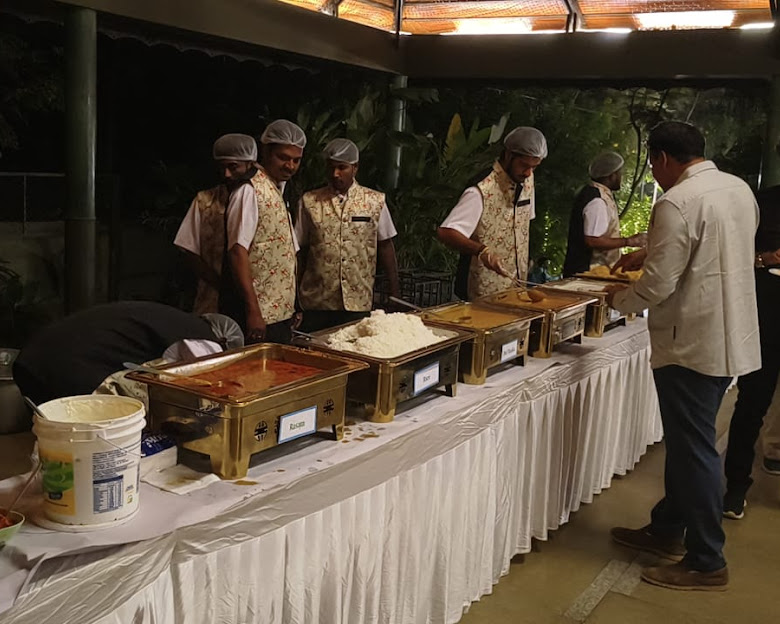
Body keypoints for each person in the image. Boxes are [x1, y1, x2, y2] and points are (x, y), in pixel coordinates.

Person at [604, 121, 760, 591]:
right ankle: (668, 527)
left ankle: (707, 559)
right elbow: (715, 245)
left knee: (694, 452)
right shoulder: (737, 189)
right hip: (729, 335)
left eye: (653, 164)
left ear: (663, 159)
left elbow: (657, 287)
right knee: (689, 443)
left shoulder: (675, 201)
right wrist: (651, 251)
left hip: (690, 343)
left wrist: (617, 299)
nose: (655, 172)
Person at [12, 301, 243, 406]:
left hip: (31, 361)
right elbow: (210, 384)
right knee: (84, 446)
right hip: (69, 367)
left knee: (56, 443)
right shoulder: (203, 339)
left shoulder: (167, 317)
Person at [296, 138, 400, 332]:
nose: (335, 174)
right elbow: (300, 249)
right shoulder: (309, 201)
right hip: (316, 300)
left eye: (342, 168)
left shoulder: (374, 201)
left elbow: (385, 245)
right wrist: (294, 298)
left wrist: (394, 293)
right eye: (331, 167)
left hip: (357, 299)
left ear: (355, 168)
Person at [722, 184, 780, 519]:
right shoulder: (762, 202)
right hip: (765, 320)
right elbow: (734, 253)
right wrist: (764, 258)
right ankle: (735, 487)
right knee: (751, 406)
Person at [437, 127, 547, 300]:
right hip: (480, 293)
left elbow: (525, 223)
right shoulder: (480, 190)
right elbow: (446, 232)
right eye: (524, 165)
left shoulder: (527, 179)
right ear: (509, 155)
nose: (528, 173)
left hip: (516, 289)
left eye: (534, 167)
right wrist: (482, 251)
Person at [219, 120, 304, 344]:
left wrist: (295, 305)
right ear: (265, 151)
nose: (290, 166)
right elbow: (237, 252)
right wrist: (253, 311)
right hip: (256, 316)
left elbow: (286, 253)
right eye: (283, 158)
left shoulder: (281, 190)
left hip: (279, 315)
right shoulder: (249, 190)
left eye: (296, 160)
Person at [174, 134, 258, 313]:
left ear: (250, 165)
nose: (226, 174)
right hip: (212, 297)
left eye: (233, 167)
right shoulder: (204, 200)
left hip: (255, 297)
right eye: (222, 167)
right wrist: (218, 283)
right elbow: (188, 248)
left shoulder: (261, 198)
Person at [562, 151, 646, 277]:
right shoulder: (597, 200)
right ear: (611, 176)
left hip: (593, 271)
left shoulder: (598, 194)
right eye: (619, 173)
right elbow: (593, 241)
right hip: (587, 272)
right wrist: (629, 241)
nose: (620, 177)